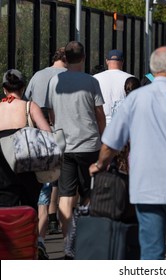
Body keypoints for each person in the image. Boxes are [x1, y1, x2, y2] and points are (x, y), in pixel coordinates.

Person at [89, 46, 166, 260]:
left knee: (151, 252)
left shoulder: (135, 99)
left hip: (145, 187)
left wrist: (99, 164)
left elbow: (111, 143)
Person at [46, 41, 106, 259]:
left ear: (66, 57)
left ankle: (67, 242)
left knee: (66, 193)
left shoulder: (54, 81)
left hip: (65, 144)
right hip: (90, 143)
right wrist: (104, 137)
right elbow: (99, 114)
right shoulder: (91, 81)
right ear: (83, 57)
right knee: (89, 193)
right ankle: (86, 241)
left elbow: (51, 113)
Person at [0, 69, 51, 257]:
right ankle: (27, 251)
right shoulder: (30, 106)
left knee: (4, 209)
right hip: (26, 164)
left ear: (5, 89)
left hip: (2, 168)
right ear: (23, 87)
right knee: (30, 208)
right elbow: (47, 134)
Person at [24, 47, 67, 253]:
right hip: (59, 129)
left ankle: (44, 220)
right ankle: (52, 217)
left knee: (41, 178)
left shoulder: (38, 75)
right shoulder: (68, 76)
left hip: (34, 132)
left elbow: (26, 98)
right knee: (57, 175)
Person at [94, 49, 133, 125]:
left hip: (100, 123)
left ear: (107, 61)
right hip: (123, 123)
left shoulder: (96, 78)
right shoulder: (131, 79)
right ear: (122, 62)